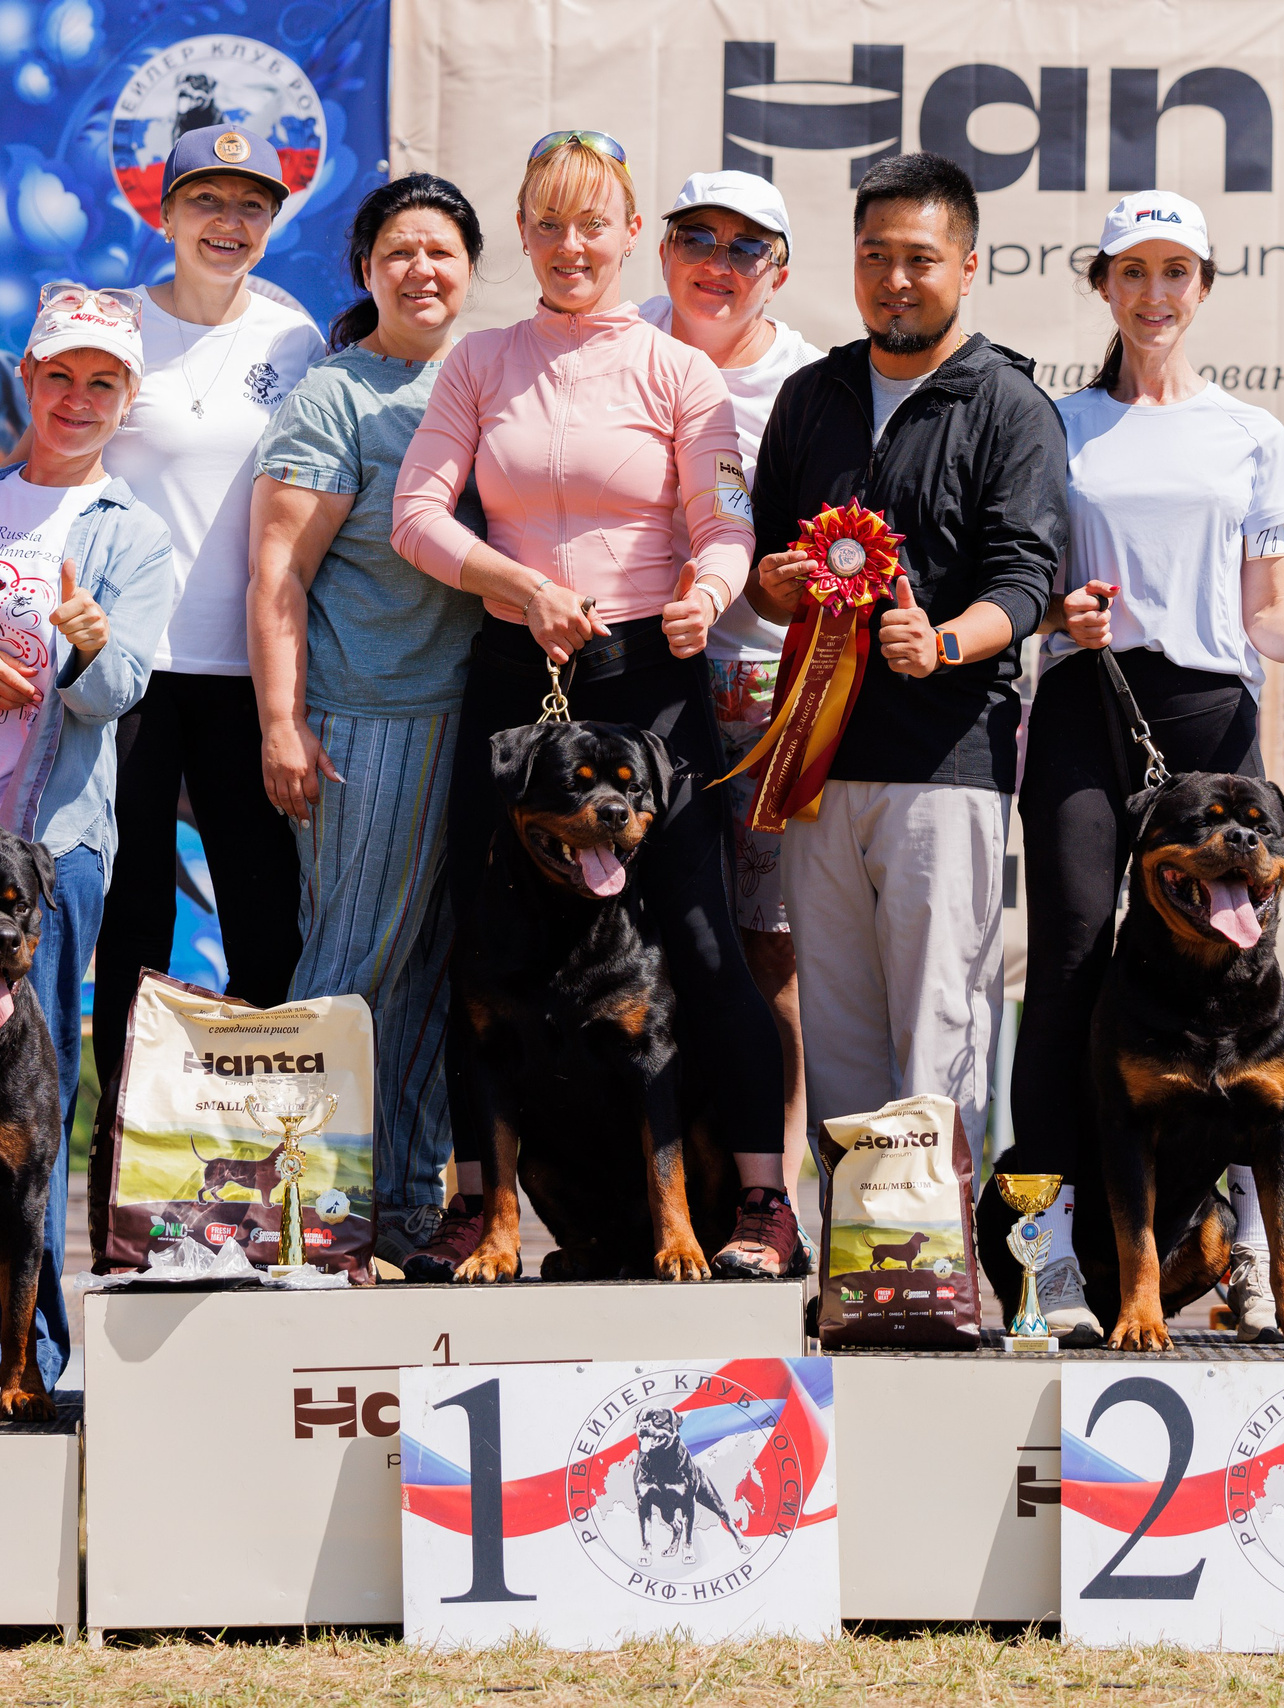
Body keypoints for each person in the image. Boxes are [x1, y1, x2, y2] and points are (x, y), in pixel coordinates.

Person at [391, 129, 803, 1281]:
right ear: (521, 237)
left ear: (633, 238)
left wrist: (706, 591)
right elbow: (417, 517)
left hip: (649, 686)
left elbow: (725, 523)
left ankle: (762, 1202)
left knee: (705, 943)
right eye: (547, 225)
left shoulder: (682, 372)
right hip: (517, 680)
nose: (571, 246)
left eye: (593, 224)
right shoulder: (480, 362)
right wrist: (517, 585)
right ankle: (478, 1204)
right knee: (481, 946)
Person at [986, 190, 1284, 1344]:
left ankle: (1249, 1259)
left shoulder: (1250, 432)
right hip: (1092, 706)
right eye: (1132, 271)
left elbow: (1270, 613)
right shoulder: (1056, 423)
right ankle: (1042, 1261)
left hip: (1209, 720)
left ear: (1202, 288)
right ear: (1101, 285)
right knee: (1066, 979)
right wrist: (1060, 615)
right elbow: (1029, 586)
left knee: (1235, 980)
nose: (1154, 293)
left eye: (1175, 272)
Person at [745, 152, 1065, 1245]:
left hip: (946, 768)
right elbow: (761, 566)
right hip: (819, 766)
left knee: (940, 1034)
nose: (894, 281)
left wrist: (942, 641)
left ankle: (934, 1269)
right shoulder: (812, 394)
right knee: (836, 1034)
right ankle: (856, 1265)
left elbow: (1027, 581)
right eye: (875, 257)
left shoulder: (1011, 405)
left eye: (919, 259)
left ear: (966, 266)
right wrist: (775, 583)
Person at [0, 281, 177, 1399]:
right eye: (60, 376)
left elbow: (119, 691)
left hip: (52, 854)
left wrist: (83, 644)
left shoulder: (132, 533)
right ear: (26, 380)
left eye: (104, 384)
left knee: (33, 1092)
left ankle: (14, 1335)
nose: (78, 399)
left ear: (127, 401)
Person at [249, 175, 487, 1268]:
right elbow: (279, 576)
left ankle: (397, 1206)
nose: (420, 270)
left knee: (434, 969)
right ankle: (294, 1206)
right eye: (398, 251)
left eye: (439, 251)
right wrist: (283, 723)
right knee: (353, 960)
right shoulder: (335, 395)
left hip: (471, 717)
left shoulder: (491, 379)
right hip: (367, 718)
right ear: (364, 271)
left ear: (472, 267)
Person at [91, 124, 328, 1137]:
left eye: (251, 208)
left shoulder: (295, 340)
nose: (228, 225)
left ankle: (274, 1172)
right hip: (128, 675)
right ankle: (125, 1174)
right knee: (130, 928)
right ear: (164, 212)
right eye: (207, 203)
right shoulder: (112, 326)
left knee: (266, 927)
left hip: (249, 677)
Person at [635, 169, 821, 1225]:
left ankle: (773, 1198)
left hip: (763, 684)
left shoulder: (809, 383)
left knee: (764, 949)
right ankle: (644, 1200)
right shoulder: (612, 343)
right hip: (631, 678)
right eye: (695, 236)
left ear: (779, 273)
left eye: (745, 246)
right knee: (637, 949)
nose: (716, 259)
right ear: (660, 254)